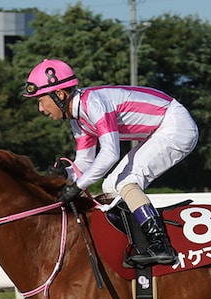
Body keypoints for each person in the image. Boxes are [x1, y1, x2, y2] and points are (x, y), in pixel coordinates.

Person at [23, 58, 199, 267]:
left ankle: (160, 245)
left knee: (126, 182)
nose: (40, 108)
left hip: (176, 125)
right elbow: (85, 163)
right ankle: (137, 239)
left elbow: (110, 153)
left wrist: (79, 186)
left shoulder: (94, 103)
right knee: (110, 185)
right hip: (160, 128)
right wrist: (67, 174)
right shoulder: (77, 119)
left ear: (59, 95)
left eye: (40, 100)